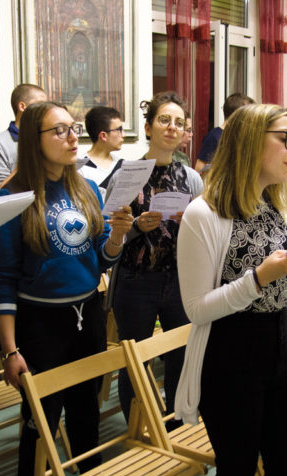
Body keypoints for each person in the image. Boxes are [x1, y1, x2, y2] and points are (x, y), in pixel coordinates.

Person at [0, 101, 133, 476]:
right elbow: (4, 281)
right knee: (42, 415)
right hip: (40, 321)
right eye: (60, 131)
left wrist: (118, 237)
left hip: (88, 313)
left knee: (87, 406)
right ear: (34, 140)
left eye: (74, 129)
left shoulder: (85, 187)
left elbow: (100, 258)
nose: (73, 138)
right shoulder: (11, 198)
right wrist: (11, 350)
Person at [175, 103, 287, 476]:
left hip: (277, 343)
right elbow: (197, 310)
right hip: (229, 353)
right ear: (250, 142)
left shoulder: (276, 207)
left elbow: (286, 291)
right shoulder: (204, 213)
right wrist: (257, 279)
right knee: (236, 472)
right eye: (284, 139)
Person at [106, 91, 203, 428]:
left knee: (180, 356)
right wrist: (135, 227)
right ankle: (140, 428)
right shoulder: (127, 174)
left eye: (179, 123)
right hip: (135, 281)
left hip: (179, 280)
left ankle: (174, 428)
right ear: (148, 128)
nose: (172, 128)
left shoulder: (190, 177)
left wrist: (189, 221)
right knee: (134, 359)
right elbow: (108, 232)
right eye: (164, 120)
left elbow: (204, 228)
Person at [0, 83, 47, 196]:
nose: (46, 111)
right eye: (40, 105)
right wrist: (27, 161)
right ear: (22, 107)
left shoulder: (47, 136)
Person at [194, 92, 254, 172]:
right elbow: (200, 169)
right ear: (237, 114)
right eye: (248, 114)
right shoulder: (214, 137)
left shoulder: (238, 137)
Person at [79, 105, 125, 195]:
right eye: (119, 130)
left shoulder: (123, 165)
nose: (124, 134)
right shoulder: (80, 168)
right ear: (103, 135)